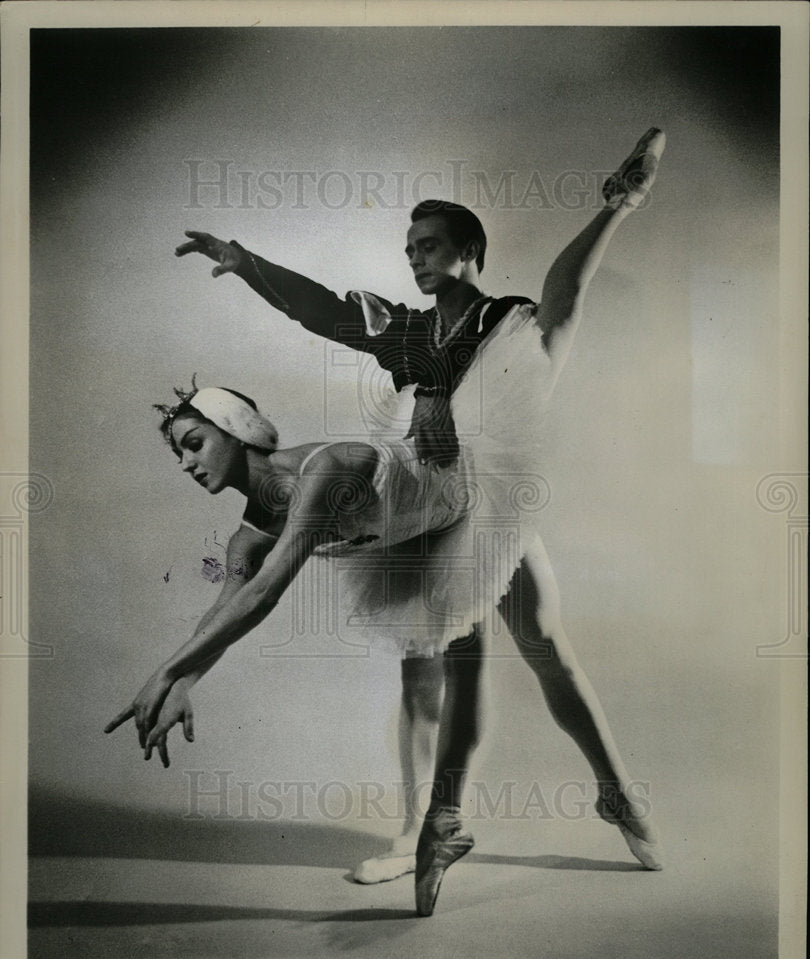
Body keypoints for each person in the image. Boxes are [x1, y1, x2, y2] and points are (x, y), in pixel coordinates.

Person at [108, 127, 667, 916]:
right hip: (420, 508)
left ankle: (613, 790)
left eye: (430, 245)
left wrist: (617, 208)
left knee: (547, 653)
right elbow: (328, 313)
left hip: (485, 500)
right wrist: (249, 265)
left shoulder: (501, 320)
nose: (415, 257)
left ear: (469, 251)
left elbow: (563, 300)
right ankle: (418, 831)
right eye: (409, 248)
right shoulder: (408, 332)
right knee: (425, 669)